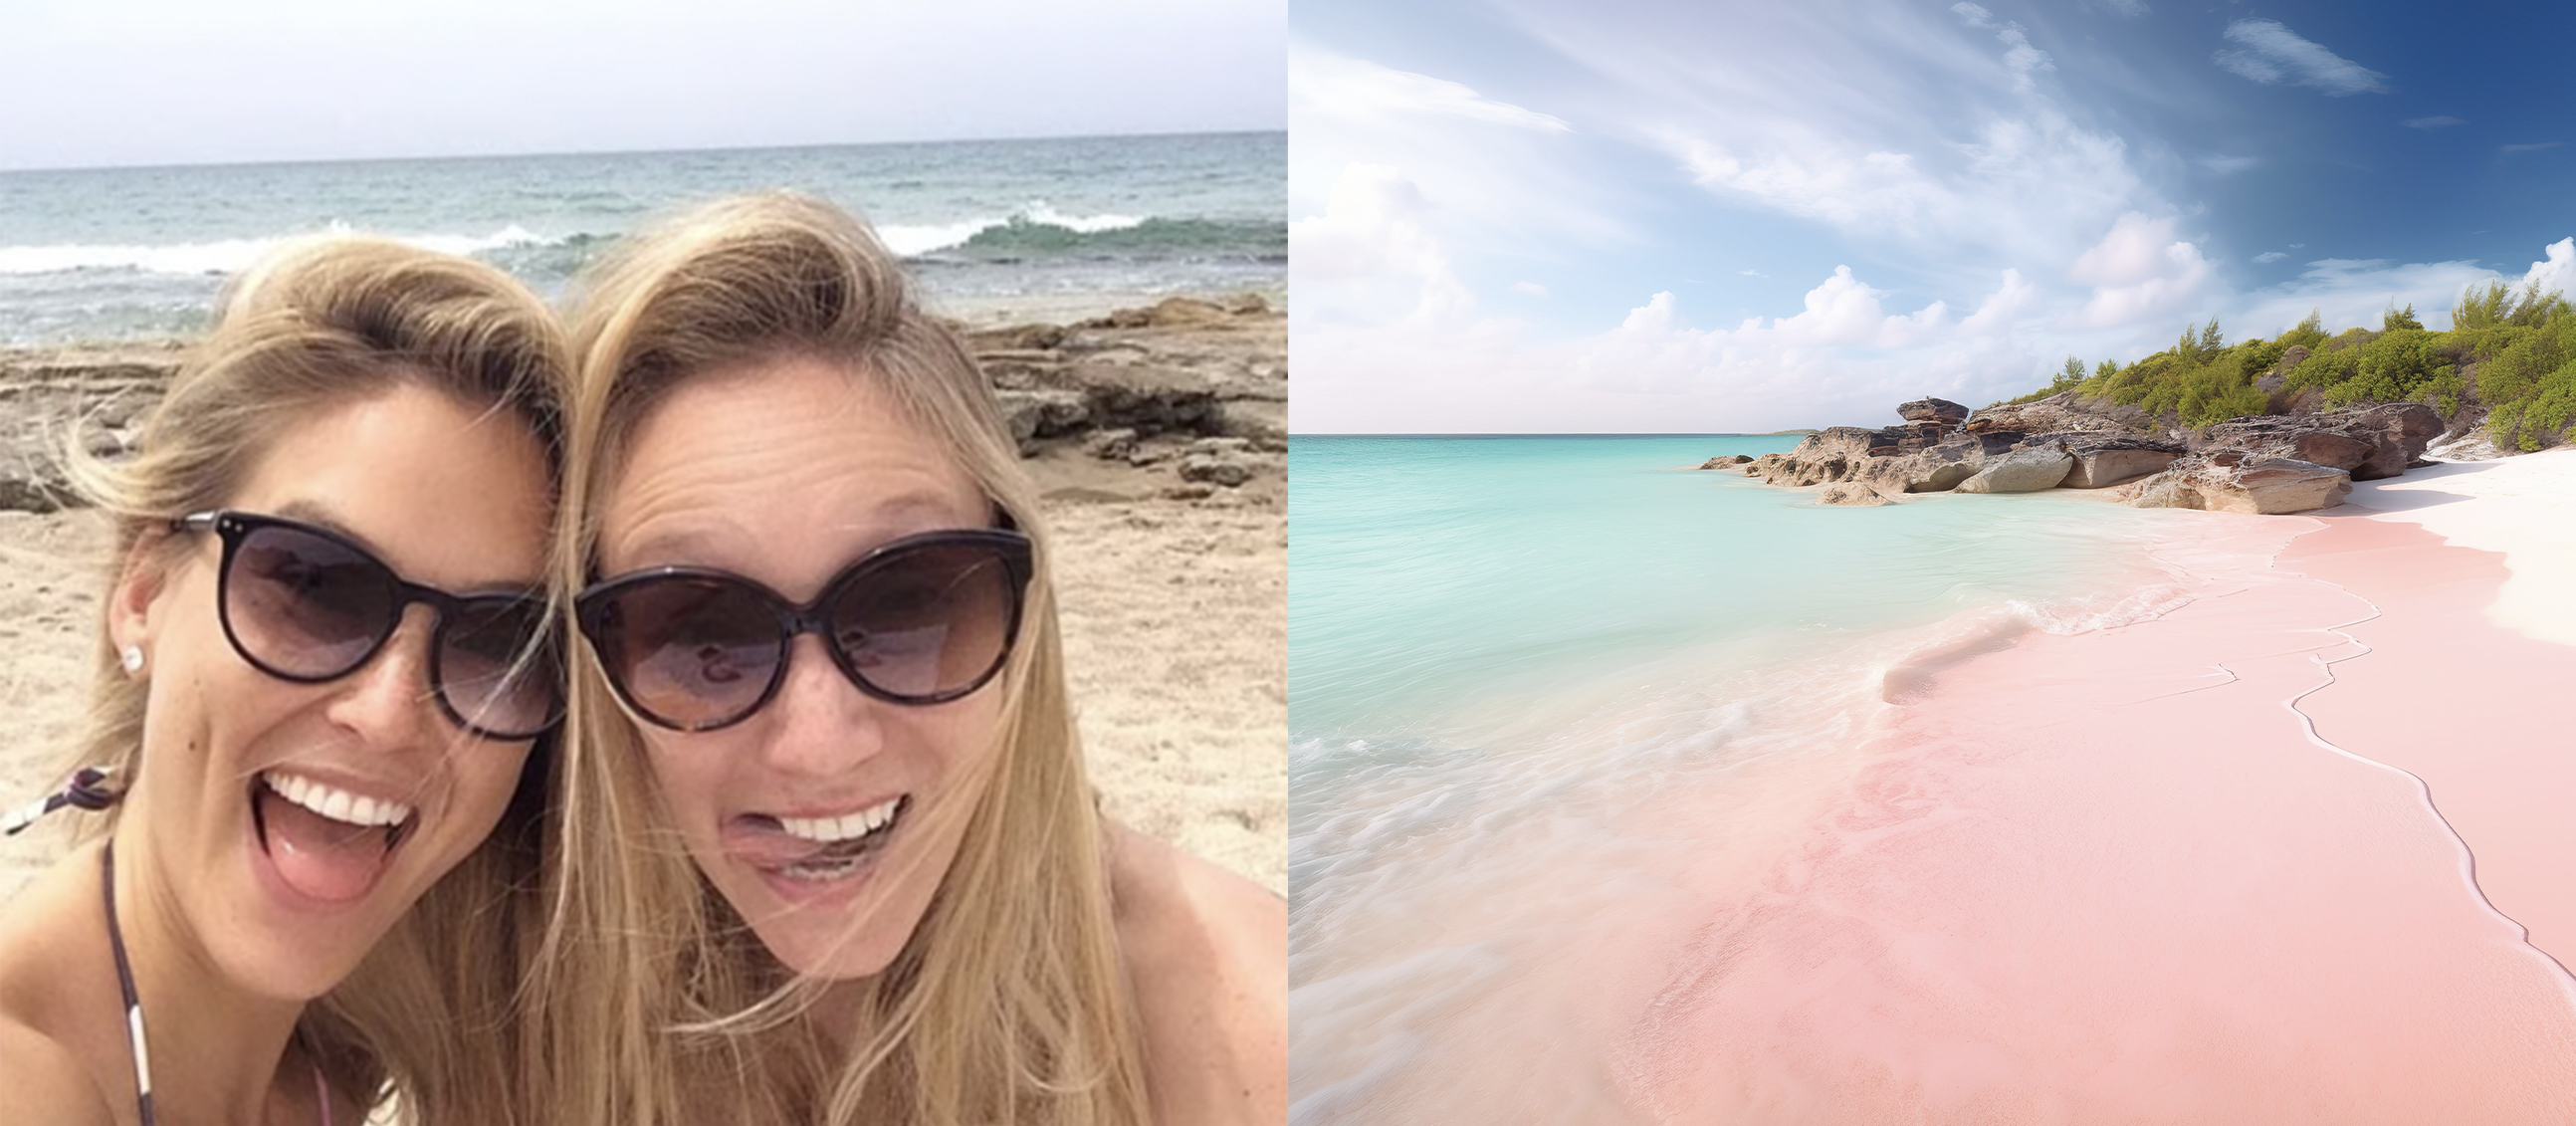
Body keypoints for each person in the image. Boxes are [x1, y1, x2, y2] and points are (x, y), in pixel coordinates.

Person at [534, 192, 1283, 1125]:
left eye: (908, 600)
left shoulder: (1271, 1034)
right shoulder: (521, 1002)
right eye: (698, 630)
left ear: (1025, 606)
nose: (820, 745)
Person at [0, 239, 569, 1125]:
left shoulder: (336, 1059)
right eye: (312, 583)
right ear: (142, 592)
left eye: (499, 639)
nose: (388, 712)